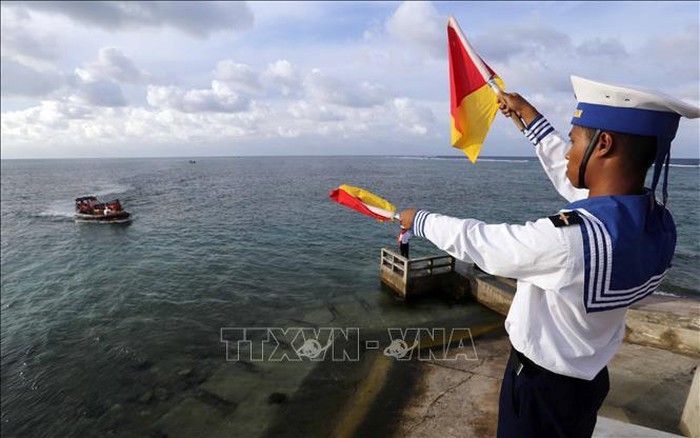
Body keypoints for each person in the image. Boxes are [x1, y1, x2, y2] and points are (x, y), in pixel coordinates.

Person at [399, 75, 699, 438]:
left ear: (603, 144)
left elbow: (484, 244)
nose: (569, 151)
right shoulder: (654, 223)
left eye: (573, 141)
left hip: (540, 389)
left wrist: (419, 220)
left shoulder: (570, 241)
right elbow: (577, 181)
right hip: (586, 381)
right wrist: (531, 119)